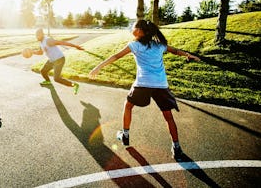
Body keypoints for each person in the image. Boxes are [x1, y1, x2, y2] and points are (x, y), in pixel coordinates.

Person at [89, 20, 200, 160]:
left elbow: (116, 56)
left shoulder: (134, 45)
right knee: (168, 117)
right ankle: (176, 147)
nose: (133, 28)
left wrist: (98, 67)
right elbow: (175, 51)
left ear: (141, 31)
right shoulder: (159, 46)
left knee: (128, 106)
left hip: (143, 84)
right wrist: (188, 55)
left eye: (135, 27)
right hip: (160, 84)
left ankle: (125, 134)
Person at [33, 28, 84, 95]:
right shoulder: (41, 42)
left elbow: (62, 42)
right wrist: (32, 52)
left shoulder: (48, 40)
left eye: (37, 35)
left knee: (57, 79)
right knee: (43, 71)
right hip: (52, 60)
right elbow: (40, 52)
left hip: (59, 59)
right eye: (36, 35)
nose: (36, 37)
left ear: (41, 35)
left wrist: (75, 46)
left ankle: (74, 85)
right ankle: (48, 81)